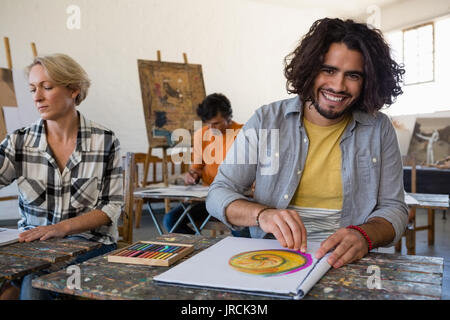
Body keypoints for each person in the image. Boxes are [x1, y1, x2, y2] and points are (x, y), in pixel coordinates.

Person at [206, 18, 408, 269]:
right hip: (271, 258)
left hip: (348, 263)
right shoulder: (266, 120)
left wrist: (366, 235)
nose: (338, 86)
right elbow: (218, 194)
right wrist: (262, 215)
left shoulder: (378, 129)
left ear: (368, 81)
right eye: (328, 70)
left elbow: (394, 208)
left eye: (353, 75)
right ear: (310, 68)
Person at [0, 54, 123, 299]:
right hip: (31, 247)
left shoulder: (106, 141)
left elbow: (112, 207)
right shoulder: (19, 141)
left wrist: (62, 228)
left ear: (74, 89)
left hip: (89, 245)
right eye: (33, 89)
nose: (37, 97)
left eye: (47, 87)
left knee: (36, 284)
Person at [163, 93, 247, 236]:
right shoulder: (201, 135)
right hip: (208, 197)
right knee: (171, 220)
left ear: (228, 117)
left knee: (241, 231)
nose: (211, 128)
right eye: (207, 123)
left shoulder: (243, 133)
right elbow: (196, 168)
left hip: (236, 197)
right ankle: (201, 251)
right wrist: (192, 175)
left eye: (216, 123)